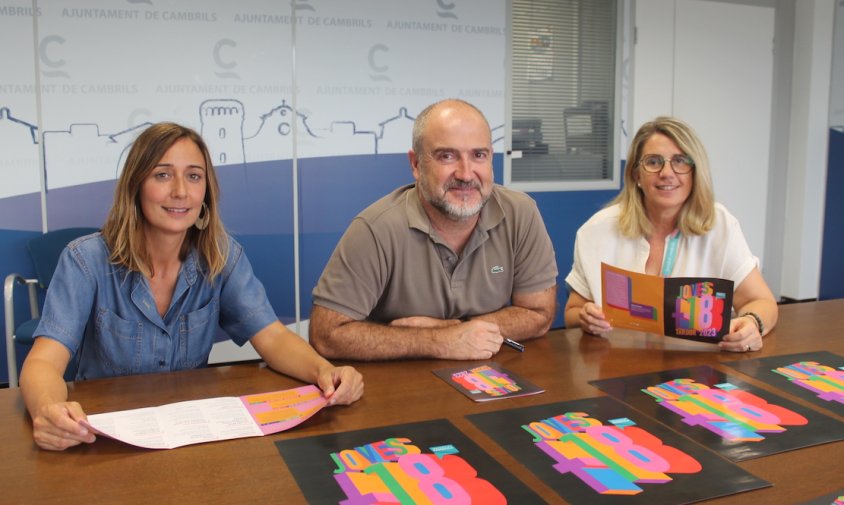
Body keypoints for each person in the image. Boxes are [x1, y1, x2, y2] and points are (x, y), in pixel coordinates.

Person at [19, 122, 364, 451]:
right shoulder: (85, 260)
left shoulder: (221, 256)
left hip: (189, 429)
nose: (180, 191)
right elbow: (43, 363)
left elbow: (272, 337)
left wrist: (325, 371)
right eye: (163, 174)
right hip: (104, 434)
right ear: (135, 186)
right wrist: (48, 410)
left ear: (206, 192)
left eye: (194, 177)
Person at [309, 99, 558, 361]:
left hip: (488, 377)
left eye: (478, 155)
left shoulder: (520, 212)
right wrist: (438, 341)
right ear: (415, 164)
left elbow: (539, 314)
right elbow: (326, 335)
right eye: (447, 156)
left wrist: (453, 329)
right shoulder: (375, 228)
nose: (465, 174)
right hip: (400, 387)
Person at [564, 116, 778, 352]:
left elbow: (762, 302)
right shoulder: (597, 231)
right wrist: (585, 317)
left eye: (680, 161)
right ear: (636, 175)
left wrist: (752, 323)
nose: (667, 173)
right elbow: (572, 312)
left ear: (695, 172)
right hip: (617, 366)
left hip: (698, 371)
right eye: (654, 162)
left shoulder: (720, 225)